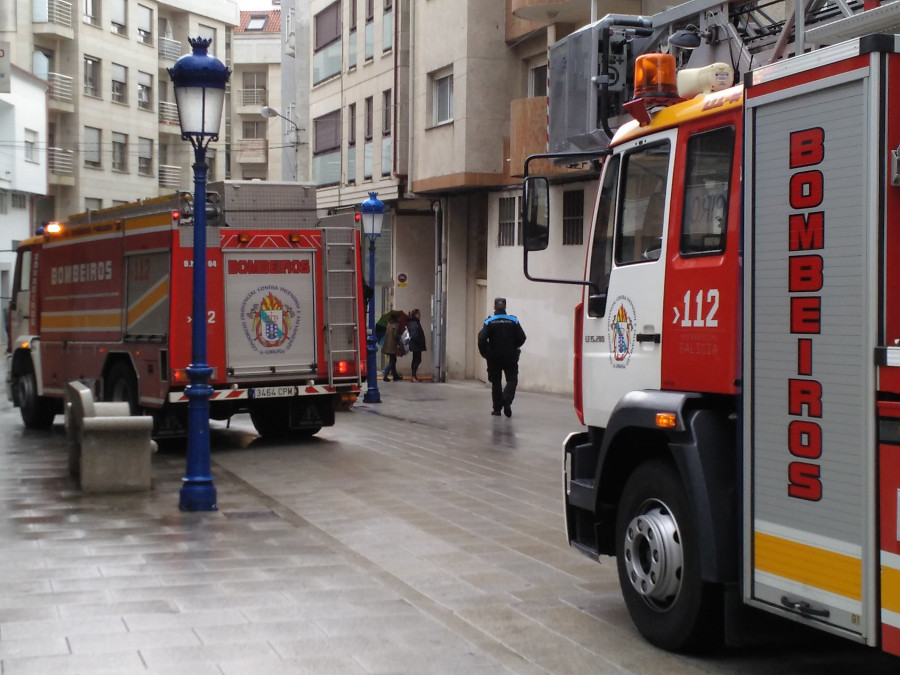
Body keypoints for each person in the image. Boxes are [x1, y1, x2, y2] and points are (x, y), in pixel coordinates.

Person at [477, 298, 526, 417]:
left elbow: (482, 339)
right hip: (510, 356)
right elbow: (522, 337)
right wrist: (514, 346)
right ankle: (506, 400)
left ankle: (497, 409)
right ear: (505, 307)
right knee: (512, 380)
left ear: (494, 307)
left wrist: (485, 352)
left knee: (496, 383)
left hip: (494, 357)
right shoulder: (513, 320)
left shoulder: (489, 321)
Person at [381, 311, 404, 382]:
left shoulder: (389, 324)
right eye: (399, 317)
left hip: (388, 345)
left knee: (393, 360)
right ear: (396, 318)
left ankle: (395, 376)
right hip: (392, 345)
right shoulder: (396, 325)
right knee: (392, 361)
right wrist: (401, 334)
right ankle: (385, 375)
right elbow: (395, 336)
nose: (400, 318)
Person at [406, 309, 427, 382]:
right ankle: (413, 376)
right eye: (419, 314)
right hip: (416, 344)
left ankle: (413, 376)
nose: (420, 315)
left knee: (416, 359)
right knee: (417, 360)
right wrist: (420, 342)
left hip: (416, 344)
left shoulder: (414, 322)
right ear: (415, 314)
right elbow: (414, 334)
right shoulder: (414, 323)